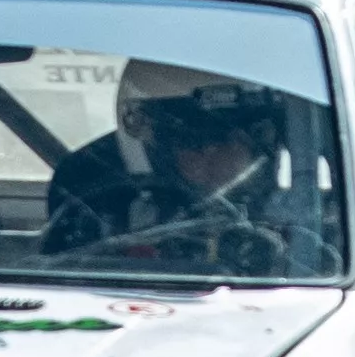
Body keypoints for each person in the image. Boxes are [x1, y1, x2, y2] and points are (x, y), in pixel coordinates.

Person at [40, 65, 303, 264]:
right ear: (154, 143)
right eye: (196, 141)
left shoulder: (305, 208)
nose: (219, 156)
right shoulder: (89, 188)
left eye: (249, 137)